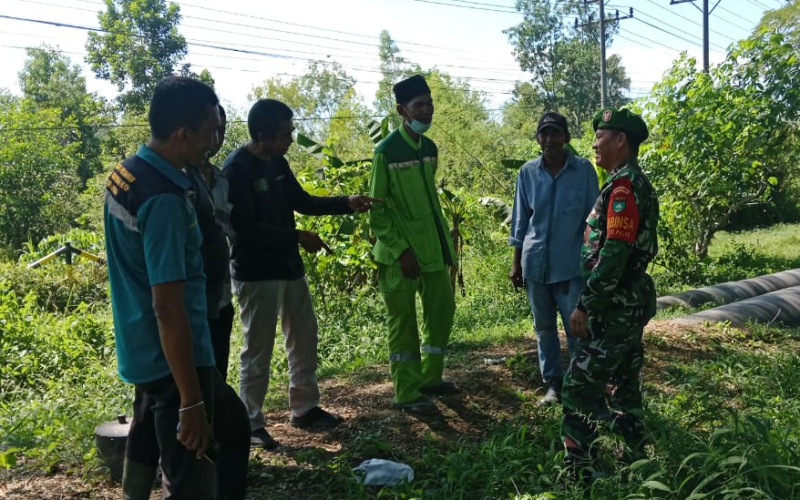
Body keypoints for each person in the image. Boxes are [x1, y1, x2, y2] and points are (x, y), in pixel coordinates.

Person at [105, 77, 249, 500]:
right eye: (209, 133)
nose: (213, 142)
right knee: (190, 465)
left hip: (146, 344)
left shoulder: (130, 172)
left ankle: (134, 492)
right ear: (184, 134)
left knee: (231, 424)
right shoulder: (163, 199)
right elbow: (168, 307)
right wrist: (190, 401)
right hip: (174, 355)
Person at [223, 98, 380, 449]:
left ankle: (305, 408)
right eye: (286, 132)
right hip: (257, 273)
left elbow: (303, 201)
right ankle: (251, 422)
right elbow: (243, 228)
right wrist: (297, 236)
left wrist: (346, 202)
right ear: (263, 135)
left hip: (288, 267)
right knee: (258, 349)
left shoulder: (276, 161)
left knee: (304, 336)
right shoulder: (236, 170)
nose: (292, 138)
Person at [561, 107, 659, 478]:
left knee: (578, 387)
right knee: (625, 381)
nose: (594, 143)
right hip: (629, 301)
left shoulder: (624, 187)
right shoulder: (631, 182)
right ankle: (634, 461)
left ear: (621, 140)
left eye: (601, 136)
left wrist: (586, 305)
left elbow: (615, 253)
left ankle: (580, 470)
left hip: (614, 305)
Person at [369, 74, 458, 414]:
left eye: (429, 103)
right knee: (402, 323)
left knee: (441, 312)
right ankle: (406, 392)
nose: (426, 111)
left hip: (432, 248)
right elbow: (377, 211)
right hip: (399, 256)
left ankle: (430, 378)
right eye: (419, 105)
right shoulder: (386, 151)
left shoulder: (430, 148)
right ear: (401, 110)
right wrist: (400, 249)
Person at [508, 112, 599, 406]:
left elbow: (594, 221)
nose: (548, 139)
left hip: (571, 266)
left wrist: (593, 262)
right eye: (543, 134)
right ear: (538, 138)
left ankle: (579, 384)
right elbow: (520, 221)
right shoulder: (527, 172)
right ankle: (553, 384)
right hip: (535, 264)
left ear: (566, 137)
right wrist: (515, 262)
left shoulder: (584, 170)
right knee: (544, 327)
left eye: (555, 133)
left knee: (577, 328)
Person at [185, 104, 236, 381]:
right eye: (211, 131)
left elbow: (230, 231)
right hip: (189, 298)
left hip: (221, 295)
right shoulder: (176, 180)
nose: (216, 139)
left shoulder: (221, 179)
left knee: (218, 373)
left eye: (222, 131)